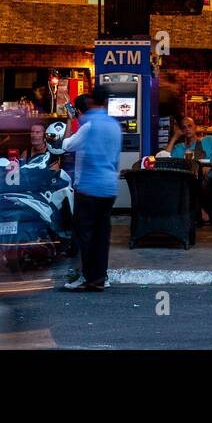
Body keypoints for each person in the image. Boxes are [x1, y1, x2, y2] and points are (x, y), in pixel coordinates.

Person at [55, 93, 121, 291]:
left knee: (83, 235)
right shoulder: (113, 125)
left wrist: (69, 121)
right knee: (101, 236)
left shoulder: (89, 127)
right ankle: (100, 277)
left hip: (89, 187)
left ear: (80, 110)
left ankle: (86, 276)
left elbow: (66, 146)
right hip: (109, 186)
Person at [168, 115, 212, 225]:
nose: (187, 129)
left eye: (189, 126)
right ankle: (199, 213)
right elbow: (165, 157)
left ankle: (200, 213)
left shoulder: (208, 140)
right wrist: (174, 137)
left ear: (195, 127)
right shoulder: (179, 148)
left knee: (190, 184)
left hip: (207, 179)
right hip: (187, 179)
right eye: (184, 127)